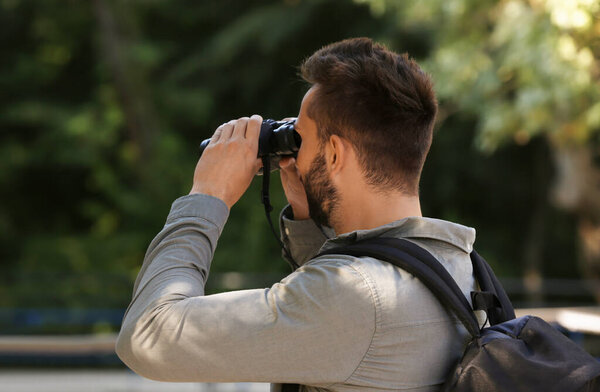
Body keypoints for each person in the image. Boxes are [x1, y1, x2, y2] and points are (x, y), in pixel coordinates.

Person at [116, 37, 484, 391]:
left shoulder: (355, 297)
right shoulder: (462, 267)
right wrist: (310, 221)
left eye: (301, 138)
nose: (295, 156)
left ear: (336, 155)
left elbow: (148, 335)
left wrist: (207, 196)